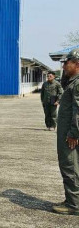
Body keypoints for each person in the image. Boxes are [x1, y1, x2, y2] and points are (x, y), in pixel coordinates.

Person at [52, 48, 79, 215]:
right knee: (73, 166)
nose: (63, 67)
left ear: (77, 64)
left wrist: (73, 134)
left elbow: (78, 110)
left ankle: (74, 205)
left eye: (66, 63)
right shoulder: (71, 81)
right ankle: (73, 199)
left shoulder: (77, 83)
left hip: (71, 134)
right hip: (71, 131)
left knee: (69, 166)